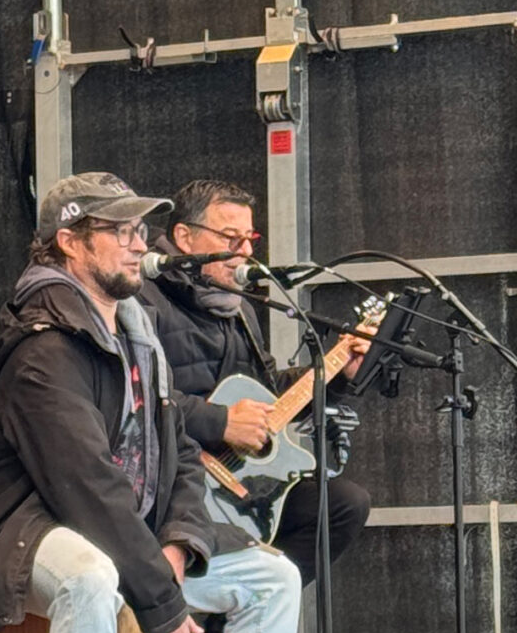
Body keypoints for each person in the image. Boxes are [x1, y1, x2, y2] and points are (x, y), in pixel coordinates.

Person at [0, 173, 313, 633]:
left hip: (129, 533)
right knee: (88, 578)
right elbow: (84, 485)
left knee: (270, 579)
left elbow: (179, 455)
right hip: (24, 532)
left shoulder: (139, 333)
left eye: (138, 230)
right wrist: (161, 599)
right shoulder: (42, 346)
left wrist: (180, 543)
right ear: (70, 243)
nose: (134, 243)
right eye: (117, 231)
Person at [144, 179, 371, 584]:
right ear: (184, 237)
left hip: (235, 483)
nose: (246, 252)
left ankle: (249, 612)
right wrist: (220, 421)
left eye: (250, 239)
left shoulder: (239, 309)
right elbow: (134, 395)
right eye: (231, 238)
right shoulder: (145, 300)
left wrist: (335, 373)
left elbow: (267, 391)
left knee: (341, 505)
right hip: (170, 480)